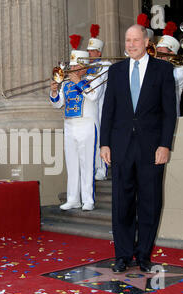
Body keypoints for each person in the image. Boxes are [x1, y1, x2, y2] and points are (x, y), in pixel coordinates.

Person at [100, 24, 176, 273]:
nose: (130, 44)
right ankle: (122, 255)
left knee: (150, 202)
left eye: (135, 40)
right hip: (120, 148)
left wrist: (165, 144)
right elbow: (108, 110)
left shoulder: (164, 70)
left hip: (151, 149)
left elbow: (169, 113)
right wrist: (104, 143)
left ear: (146, 42)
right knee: (122, 203)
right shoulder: (116, 71)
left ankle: (143, 253)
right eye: (127, 40)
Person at [50, 46, 104, 212]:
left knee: (87, 164)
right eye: (71, 66)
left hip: (87, 124)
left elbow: (94, 96)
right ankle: (73, 198)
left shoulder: (95, 78)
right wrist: (53, 92)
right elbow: (58, 104)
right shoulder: (65, 83)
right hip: (69, 125)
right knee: (72, 164)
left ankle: (88, 199)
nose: (71, 69)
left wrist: (77, 82)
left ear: (84, 67)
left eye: (75, 67)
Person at [87, 24, 111, 181]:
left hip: (102, 104)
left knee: (102, 138)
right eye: (88, 51)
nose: (89, 54)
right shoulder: (86, 67)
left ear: (99, 52)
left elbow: (99, 87)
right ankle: (94, 167)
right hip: (89, 107)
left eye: (92, 51)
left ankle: (102, 167)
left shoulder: (105, 65)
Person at [156, 23, 183, 117]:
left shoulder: (181, 71)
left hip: (169, 120)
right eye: (156, 51)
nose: (157, 55)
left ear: (171, 53)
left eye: (160, 51)